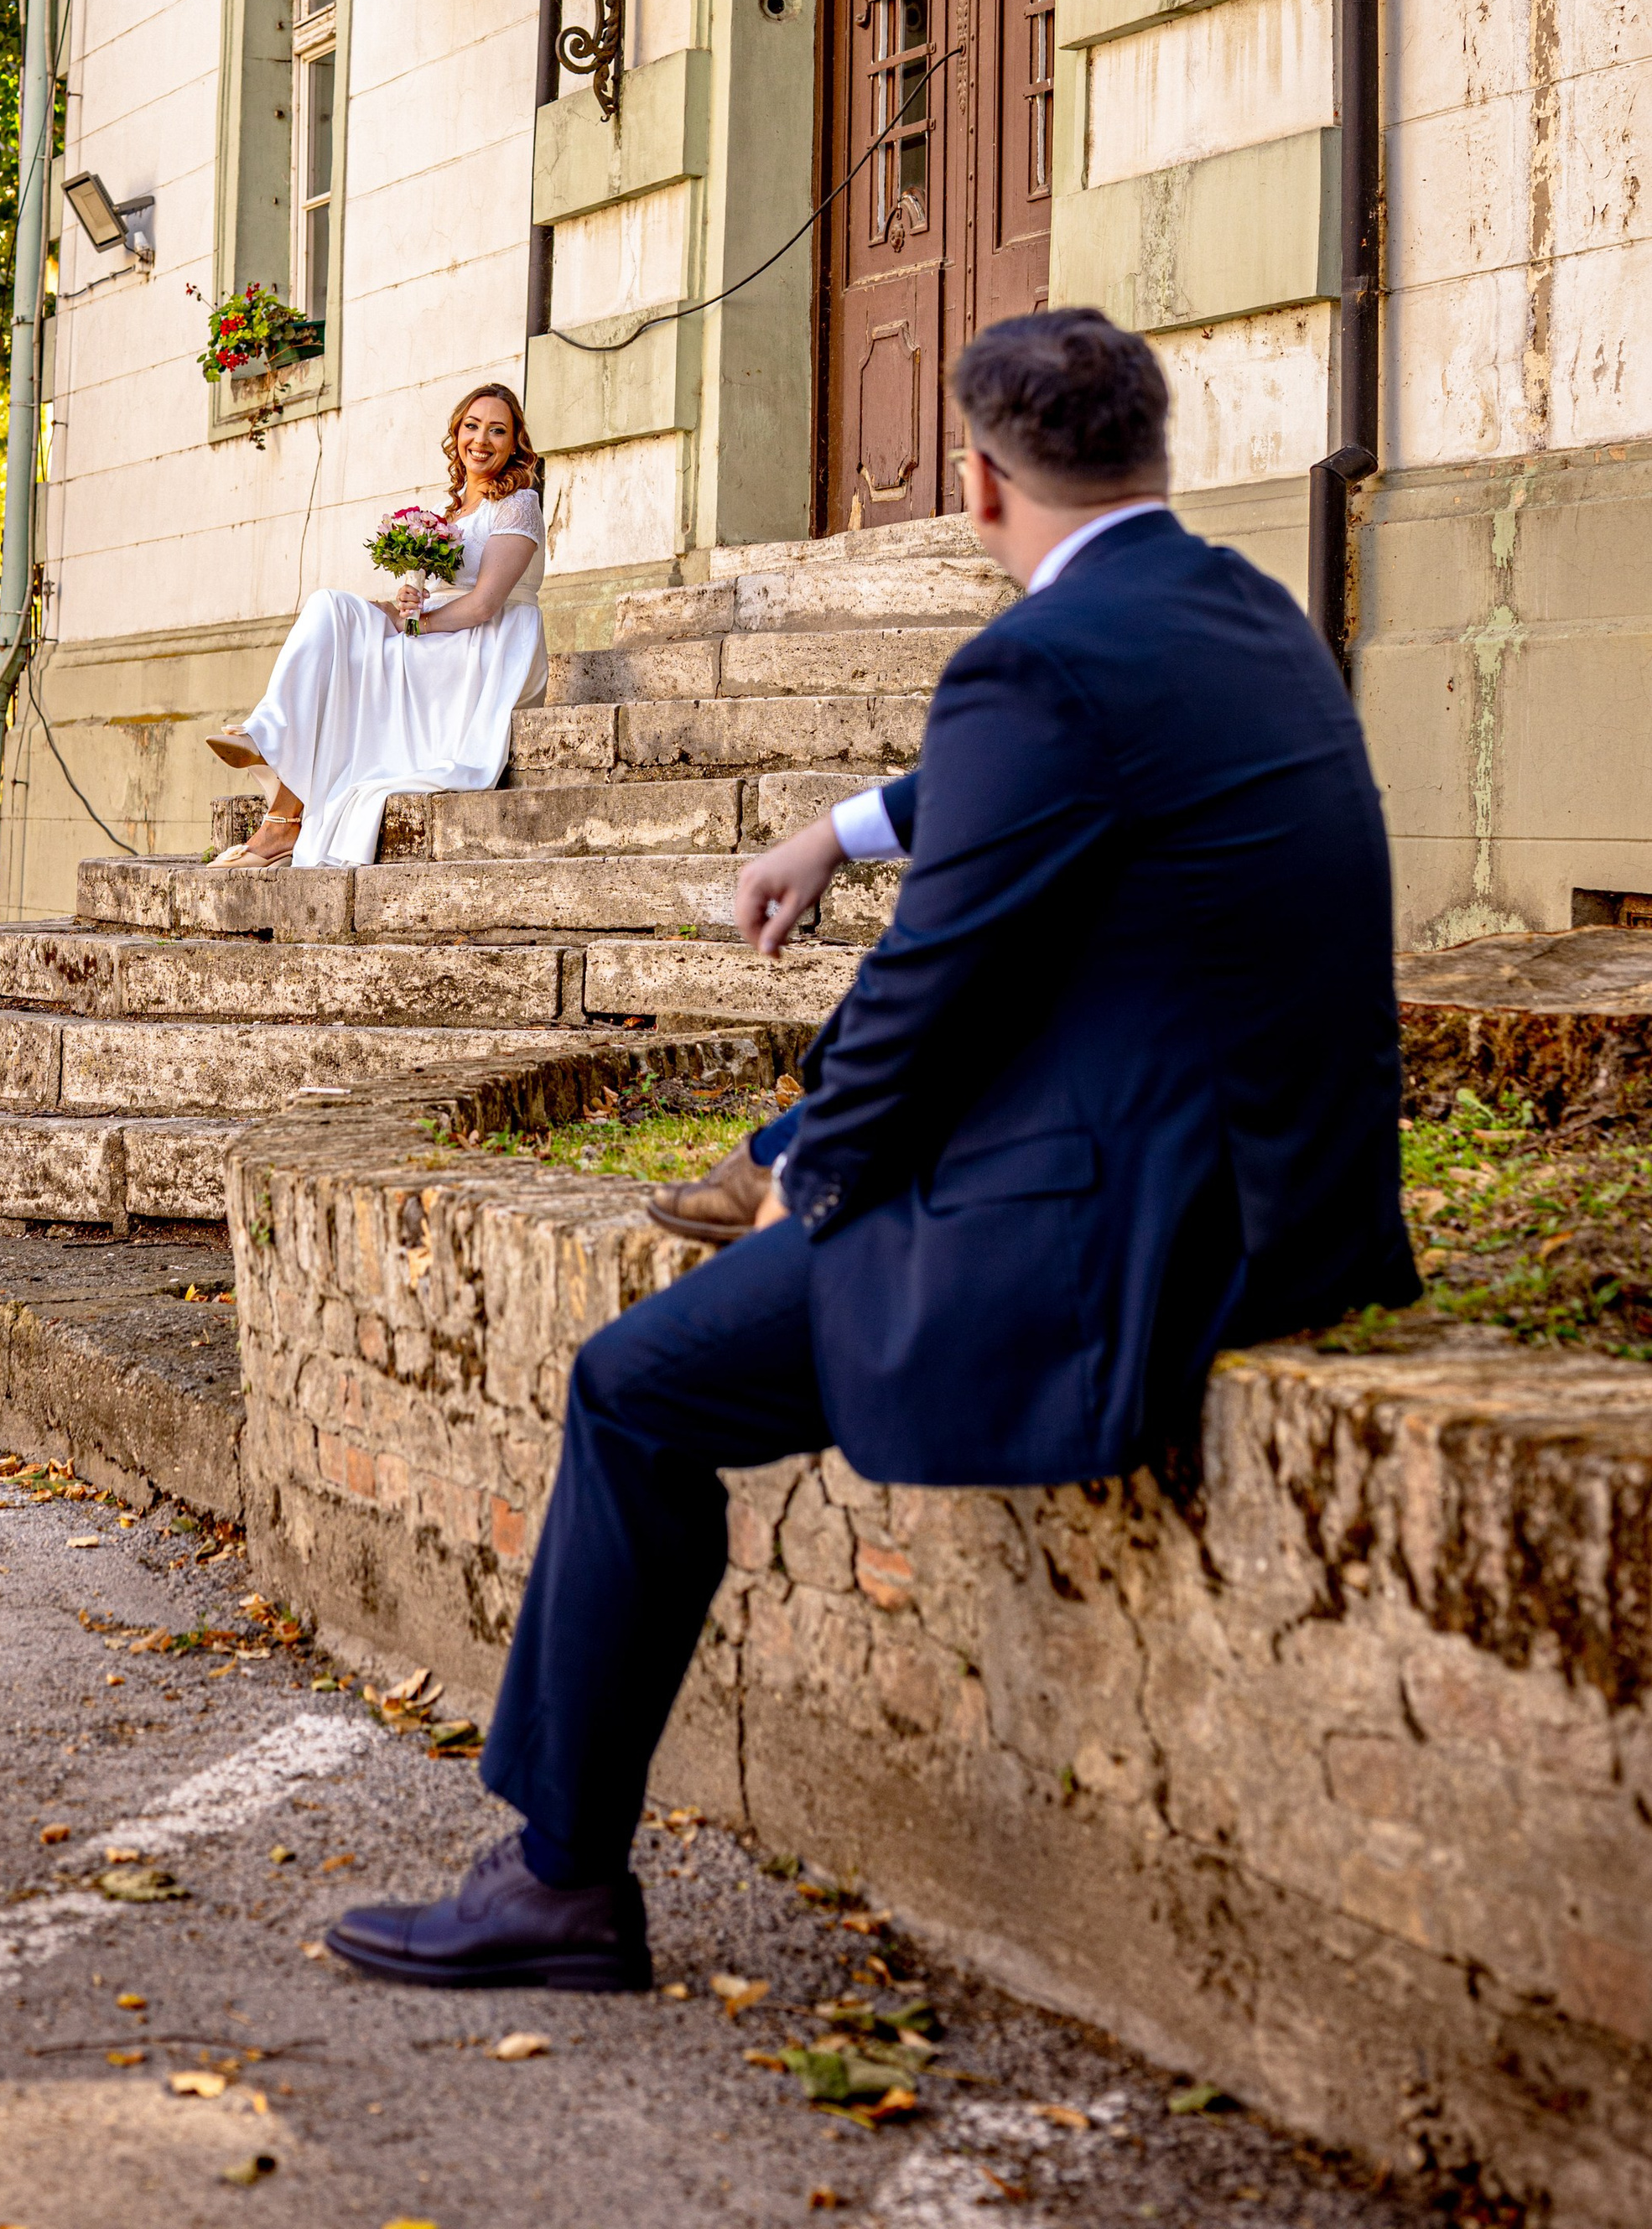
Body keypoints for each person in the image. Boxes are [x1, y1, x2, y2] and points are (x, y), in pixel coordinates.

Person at [322, 306, 1418, 1993]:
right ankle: (783, 1155)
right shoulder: (1240, 609)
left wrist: (806, 1187)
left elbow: (931, 985)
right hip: (1298, 1201)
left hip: (1126, 1240)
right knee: (851, 1129)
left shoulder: (1031, 664)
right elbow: (1039, 779)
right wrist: (831, 829)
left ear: (977, 484)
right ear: (1149, 459)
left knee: (634, 1384)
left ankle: (557, 1881)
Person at [207, 382, 548, 869]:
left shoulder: (518, 503)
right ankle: (269, 735)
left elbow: (483, 606)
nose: (482, 439)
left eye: (498, 430)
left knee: (367, 663)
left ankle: (282, 818)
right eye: (472, 426)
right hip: (443, 633)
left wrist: (415, 626)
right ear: (457, 433)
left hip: (491, 648)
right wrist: (406, 605)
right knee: (332, 608)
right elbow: (438, 604)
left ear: (515, 443)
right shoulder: (452, 513)